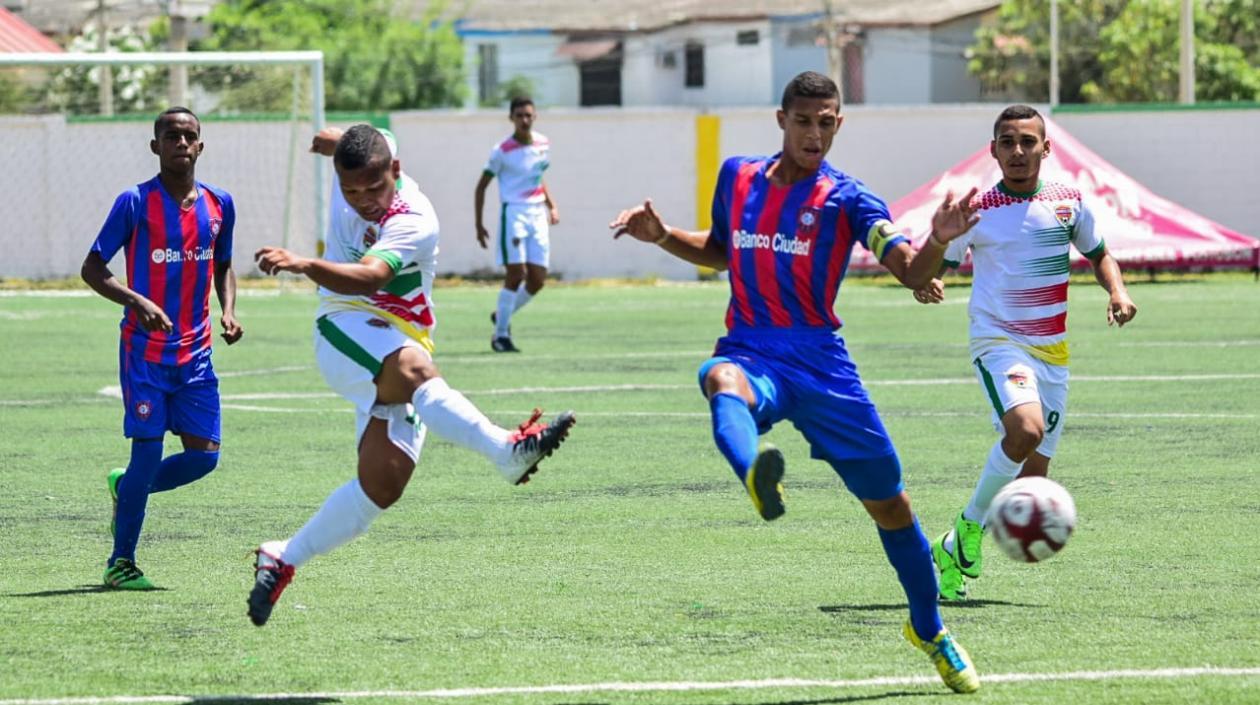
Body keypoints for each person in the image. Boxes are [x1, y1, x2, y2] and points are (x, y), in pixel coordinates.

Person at [610, 71, 982, 694]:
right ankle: (755, 468)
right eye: (804, 121)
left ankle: (928, 628)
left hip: (822, 362)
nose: (815, 134)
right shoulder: (738, 177)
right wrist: (663, 236)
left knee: (892, 506)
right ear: (781, 119)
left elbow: (910, 271)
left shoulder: (850, 199)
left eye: (827, 122)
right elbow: (724, 249)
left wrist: (941, 242)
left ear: (840, 123)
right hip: (754, 347)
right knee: (719, 377)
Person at [249, 124, 576, 627]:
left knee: (382, 485)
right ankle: (506, 451)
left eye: (374, 189)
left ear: (396, 172)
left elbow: (375, 275)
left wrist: (304, 262)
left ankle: (284, 555)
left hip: (399, 332)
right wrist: (333, 140)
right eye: (350, 191)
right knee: (415, 370)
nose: (363, 202)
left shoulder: (415, 218)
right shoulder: (369, 155)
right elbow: (356, 139)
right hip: (342, 323)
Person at [910, 104, 1137, 601]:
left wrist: (1117, 293)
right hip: (998, 342)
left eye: (1027, 142)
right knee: (1026, 429)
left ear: (1045, 148)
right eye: (1007, 142)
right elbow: (934, 268)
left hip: (1052, 353)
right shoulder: (977, 211)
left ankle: (950, 546)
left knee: (1032, 481)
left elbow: (1100, 255)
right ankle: (970, 528)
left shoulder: (1068, 202)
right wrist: (926, 282)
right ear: (992, 150)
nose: (1017, 151)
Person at [81, 107, 243, 590]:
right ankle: (120, 563)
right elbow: (93, 268)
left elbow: (224, 264)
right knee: (147, 456)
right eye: (171, 135)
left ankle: (126, 488)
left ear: (200, 145)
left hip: (196, 356)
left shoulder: (220, 204)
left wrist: (228, 310)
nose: (180, 142)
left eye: (189, 135)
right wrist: (137, 301)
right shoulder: (134, 202)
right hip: (145, 354)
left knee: (204, 457)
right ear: (156, 146)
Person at [473, 95, 560, 353]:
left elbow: (537, 177)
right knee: (516, 273)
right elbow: (481, 187)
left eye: (528, 115)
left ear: (535, 117)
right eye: (519, 115)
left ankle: (502, 314)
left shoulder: (543, 143)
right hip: (514, 214)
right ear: (511, 118)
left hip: (537, 215)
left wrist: (551, 205)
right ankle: (500, 336)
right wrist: (479, 224)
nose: (524, 120)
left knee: (538, 280)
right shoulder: (502, 151)